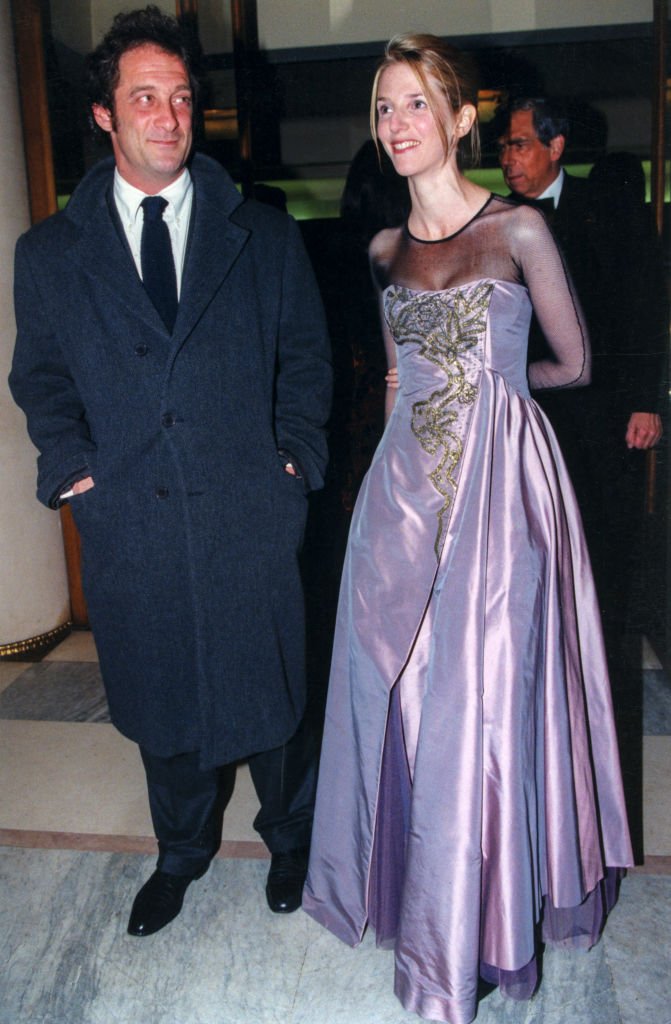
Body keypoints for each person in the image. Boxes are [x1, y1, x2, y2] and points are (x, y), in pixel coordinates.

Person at [302, 34, 633, 1024]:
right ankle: (418, 891)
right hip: (400, 496)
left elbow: (571, 364)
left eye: (412, 104)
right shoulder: (378, 251)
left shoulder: (519, 231)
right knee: (397, 692)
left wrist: (491, 388)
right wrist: (430, 393)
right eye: (381, 108)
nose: (394, 125)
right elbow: (399, 379)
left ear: (458, 120)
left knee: (483, 703)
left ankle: (483, 924)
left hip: (501, 494)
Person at [9, 6, 331, 938]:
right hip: (131, 519)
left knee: (272, 692)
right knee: (161, 698)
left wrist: (295, 460)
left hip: (247, 508)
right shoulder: (50, 253)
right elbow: (42, 380)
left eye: (181, 96)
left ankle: (291, 838)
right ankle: (181, 852)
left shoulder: (262, 236)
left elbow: (308, 361)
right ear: (105, 116)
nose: (168, 114)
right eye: (144, 96)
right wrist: (74, 474)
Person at [494, 99, 668, 859]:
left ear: (556, 146)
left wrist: (644, 401)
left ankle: (592, 672)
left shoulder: (603, 209)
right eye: (504, 145)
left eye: (520, 144)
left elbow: (642, 306)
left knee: (600, 551)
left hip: (602, 422)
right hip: (531, 415)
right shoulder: (496, 220)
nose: (507, 157)